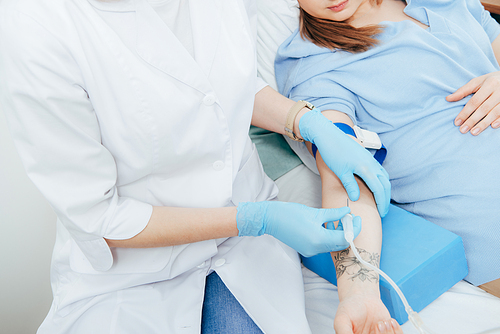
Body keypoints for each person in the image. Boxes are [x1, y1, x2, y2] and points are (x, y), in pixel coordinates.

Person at [0, 0, 396, 333]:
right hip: (136, 272)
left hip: (247, 245)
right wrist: (256, 219)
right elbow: (99, 218)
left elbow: (228, 81)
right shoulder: (39, 28)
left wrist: (305, 121)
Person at [275, 0, 500, 302]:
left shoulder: (444, 4)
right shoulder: (314, 63)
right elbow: (342, 172)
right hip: (484, 213)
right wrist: (359, 296)